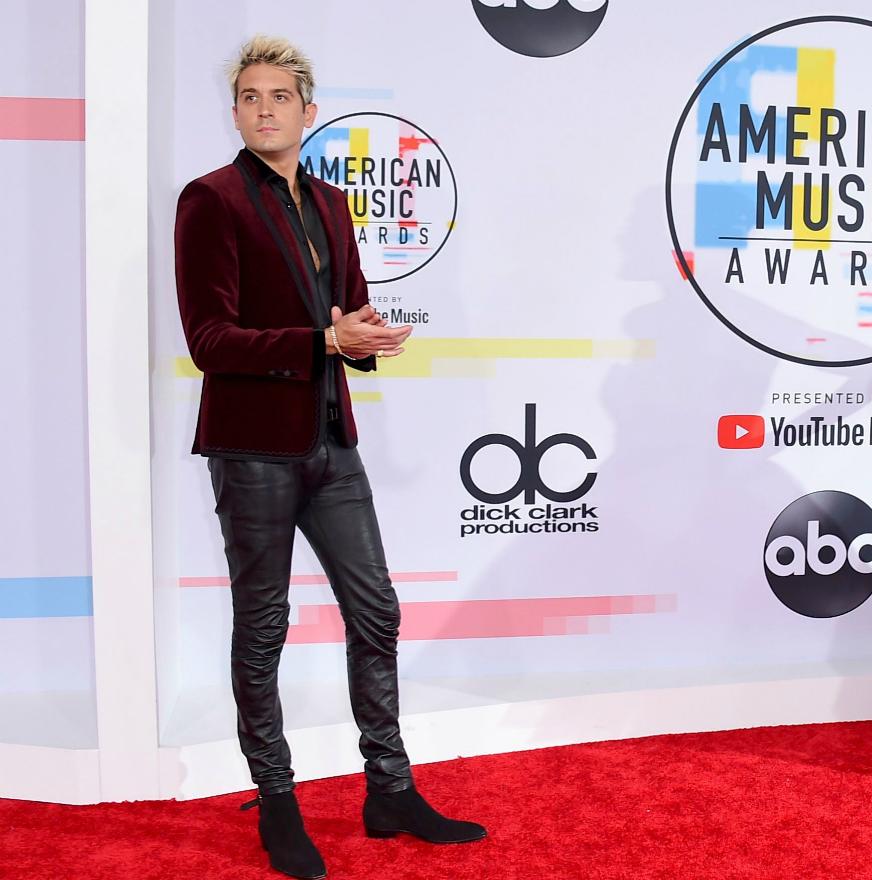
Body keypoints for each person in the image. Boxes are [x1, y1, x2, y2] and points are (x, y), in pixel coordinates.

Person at [174, 35, 485, 878]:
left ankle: (389, 789)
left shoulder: (332, 203)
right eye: (248, 96)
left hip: (329, 440)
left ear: (308, 113)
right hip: (252, 450)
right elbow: (209, 340)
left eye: (279, 96)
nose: (263, 107)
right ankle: (279, 805)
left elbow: (346, 314)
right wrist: (322, 338)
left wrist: (365, 339)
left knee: (376, 610)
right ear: (235, 111)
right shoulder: (209, 201)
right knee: (263, 628)